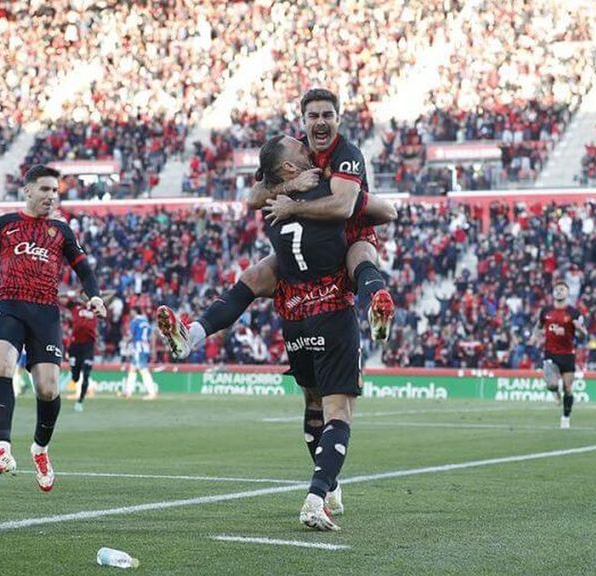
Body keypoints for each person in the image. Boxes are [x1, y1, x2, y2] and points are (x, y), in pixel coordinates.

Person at [157, 88, 397, 360]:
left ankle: (377, 310)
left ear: (338, 119)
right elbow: (254, 197)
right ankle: (192, 335)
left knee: (361, 254)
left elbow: (347, 207)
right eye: (313, 116)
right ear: (303, 120)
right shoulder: (293, 152)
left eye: (327, 115)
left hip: (349, 236)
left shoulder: (347, 154)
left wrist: (294, 205)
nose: (320, 122)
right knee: (253, 277)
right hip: (313, 244)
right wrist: (293, 185)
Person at [254, 134, 363, 531]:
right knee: (339, 412)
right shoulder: (327, 164)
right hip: (331, 306)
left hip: (293, 313)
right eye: (298, 140)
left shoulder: (332, 159)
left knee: (314, 403)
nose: (305, 141)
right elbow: (373, 209)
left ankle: (329, 486)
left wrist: (287, 197)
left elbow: (254, 198)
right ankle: (317, 495)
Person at [0, 165, 106, 492]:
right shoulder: (2, 227)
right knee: (2, 364)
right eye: (46, 189)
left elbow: (84, 269)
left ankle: (40, 449)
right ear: (28, 191)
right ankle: (2, 448)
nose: (52, 196)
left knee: (48, 389)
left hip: (46, 311)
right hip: (9, 304)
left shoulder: (62, 231)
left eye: (55, 191)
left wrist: (95, 297)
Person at [536, 282, 588, 429]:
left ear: (567, 293)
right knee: (552, 383)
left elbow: (584, 333)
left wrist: (579, 329)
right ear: (553, 292)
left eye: (562, 289)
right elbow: (539, 326)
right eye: (557, 289)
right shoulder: (546, 311)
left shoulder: (574, 313)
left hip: (567, 354)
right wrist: (535, 336)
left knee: (568, 388)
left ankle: (565, 417)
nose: (559, 291)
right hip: (550, 353)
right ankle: (554, 392)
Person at [66, 293, 99, 411]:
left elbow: (112, 294)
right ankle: (75, 374)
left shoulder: (95, 309)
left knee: (86, 373)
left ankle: (80, 401)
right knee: (75, 377)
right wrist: (73, 293)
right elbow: (62, 299)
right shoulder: (75, 307)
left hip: (88, 345)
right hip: (75, 346)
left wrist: (97, 298)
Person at [124, 306, 158, 400]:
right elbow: (152, 336)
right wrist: (153, 349)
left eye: (131, 312)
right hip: (145, 347)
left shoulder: (134, 322)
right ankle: (128, 392)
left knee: (143, 370)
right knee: (132, 369)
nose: (130, 314)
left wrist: (125, 341)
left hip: (138, 348)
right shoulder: (146, 322)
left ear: (135, 312)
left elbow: (130, 336)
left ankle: (152, 393)